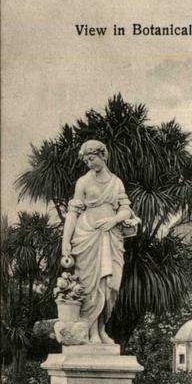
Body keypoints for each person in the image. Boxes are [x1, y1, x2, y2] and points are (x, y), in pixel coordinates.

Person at [61, 140, 135, 344]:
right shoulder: (83, 182)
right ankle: (91, 331)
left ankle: (102, 329)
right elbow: (73, 212)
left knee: (111, 285)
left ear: (103, 156)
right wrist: (65, 241)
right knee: (89, 285)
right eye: (86, 161)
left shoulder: (116, 182)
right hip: (87, 236)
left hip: (111, 237)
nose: (90, 164)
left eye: (92, 159)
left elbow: (126, 209)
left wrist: (114, 220)